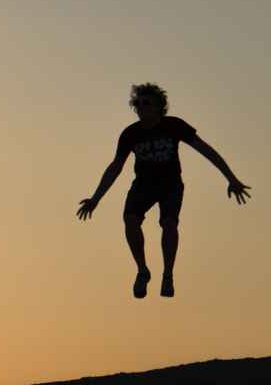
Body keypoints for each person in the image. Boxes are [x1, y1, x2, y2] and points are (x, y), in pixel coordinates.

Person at [76, 83, 250, 299]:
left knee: (168, 223)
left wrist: (231, 178)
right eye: (137, 104)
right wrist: (96, 198)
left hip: (170, 185)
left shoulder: (174, 126)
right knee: (130, 220)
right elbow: (115, 167)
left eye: (146, 103)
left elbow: (207, 151)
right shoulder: (130, 134)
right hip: (143, 186)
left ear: (159, 106)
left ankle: (168, 274)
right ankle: (142, 270)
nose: (140, 108)